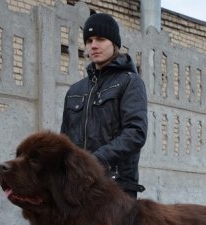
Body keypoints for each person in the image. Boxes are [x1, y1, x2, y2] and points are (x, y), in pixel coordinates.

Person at [60, 13, 148, 198]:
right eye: (89, 40)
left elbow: (135, 132)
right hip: (77, 187)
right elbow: (64, 140)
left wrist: (96, 160)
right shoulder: (76, 90)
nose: (93, 45)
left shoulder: (130, 82)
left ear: (114, 43)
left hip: (115, 187)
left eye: (100, 39)